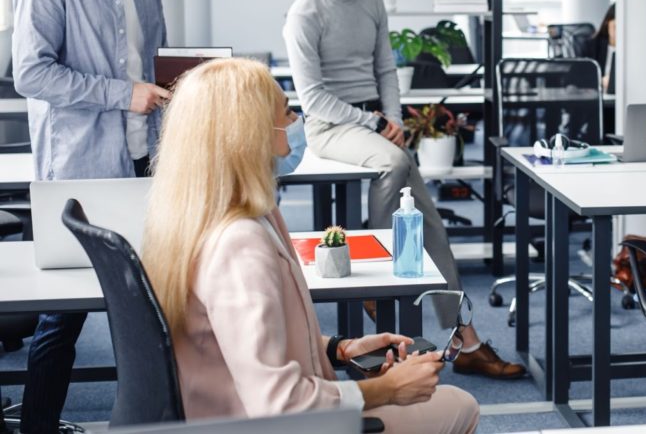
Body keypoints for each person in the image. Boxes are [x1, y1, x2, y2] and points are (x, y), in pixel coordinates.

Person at [141, 58, 479, 432]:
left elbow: (243, 340)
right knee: (460, 405)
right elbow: (277, 404)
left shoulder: (201, 214)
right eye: (287, 113)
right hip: (273, 423)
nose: (296, 122)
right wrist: (386, 389)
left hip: (230, 410)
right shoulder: (239, 245)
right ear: (252, 134)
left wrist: (339, 348)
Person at [282, 0, 525, 379]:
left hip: (375, 122)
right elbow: (312, 97)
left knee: (429, 223)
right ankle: (380, 271)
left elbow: (386, 71)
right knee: (396, 165)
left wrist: (392, 118)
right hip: (330, 126)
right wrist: (374, 124)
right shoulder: (304, 11)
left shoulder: (372, 2)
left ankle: (464, 337)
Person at [11, 0, 169, 433]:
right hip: (81, 166)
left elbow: (155, 62)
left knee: (154, 308)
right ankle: (37, 428)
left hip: (144, 160)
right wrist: (121, 93)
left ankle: (152, 422)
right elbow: (31, 73)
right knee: (64, 317)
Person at [584, 3, 616, 93]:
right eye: (616, 27)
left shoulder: (631, 50)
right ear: (607, 23)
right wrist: (601, 81)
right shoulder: (593, 46)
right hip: (599, 98)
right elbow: (578, 79)